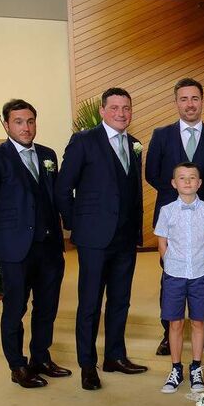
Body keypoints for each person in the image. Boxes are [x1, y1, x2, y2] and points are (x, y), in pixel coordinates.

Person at [55, 87, 148, 390]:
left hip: (124, 238)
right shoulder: (83, 141)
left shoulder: (134, 145)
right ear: (103, 111)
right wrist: (75, 226)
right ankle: (87, 364)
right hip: (93, 238)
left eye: (127, 108)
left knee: (120, 300)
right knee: (90, 303)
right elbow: (62, 188)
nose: (122, 113)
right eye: (115, 108)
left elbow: (134, 193)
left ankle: (115, 356)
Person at [0, 98, 69, 388]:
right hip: (15, 250)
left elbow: (54, 198)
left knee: (47, 307)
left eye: (30, 121)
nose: (25, 127)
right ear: (6, 124)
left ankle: (40, 357)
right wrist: (3, 237)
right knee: (15, 309)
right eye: (18, 121)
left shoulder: (47, 154)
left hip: (50, 247)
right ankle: (17, 365)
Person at [145, 78, 204, 356]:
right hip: (172, 218)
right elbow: (152, 174)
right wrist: (180, 199)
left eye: (194, 99)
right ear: (176, 102)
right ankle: (169, 333)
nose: (190, 104)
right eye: (184, 99)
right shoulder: (161, 135)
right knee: (170, 277)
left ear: (202, 101)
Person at [154, 163, 204, 393]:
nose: (188, 182)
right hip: (174, 274)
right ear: (174, 183)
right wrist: (169, 260)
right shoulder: (167, 210)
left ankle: (196, 367)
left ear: (199, 183)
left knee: (199, 320)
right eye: (182, 178)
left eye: (193, 178)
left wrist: (201, 259)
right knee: (175, 322)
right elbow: (161, 240)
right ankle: (175, 368)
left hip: (200, 274)